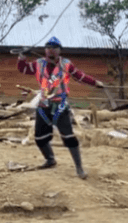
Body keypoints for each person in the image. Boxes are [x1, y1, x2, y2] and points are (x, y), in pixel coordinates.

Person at [17, 36, 108, 179]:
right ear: (45, 50)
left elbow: (80, 76)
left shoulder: (66, 64)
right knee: (40, 138)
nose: (51, 50)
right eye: (48, 48)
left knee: (69, 137)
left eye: (54, 48)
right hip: (44, 104)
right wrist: (22, 56)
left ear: (59, 50)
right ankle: (50, 159)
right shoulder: (38, 64)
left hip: (60, 105)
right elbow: (23, 69)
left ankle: (79, 168)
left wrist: (95, 83)